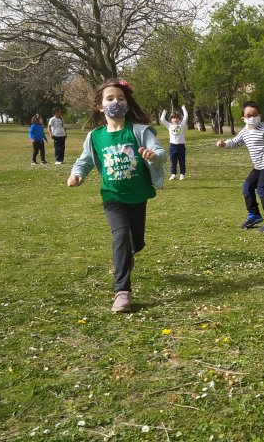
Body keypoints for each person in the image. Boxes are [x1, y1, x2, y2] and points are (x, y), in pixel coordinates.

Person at [67, 79, 166, 313]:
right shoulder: (95, 137)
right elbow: (85, 160)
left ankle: (128, 254)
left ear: (128, 104)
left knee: (136, 243)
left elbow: (160, 152)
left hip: (138, 195)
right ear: (100, 106)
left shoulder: (140, 131)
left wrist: (153, 156)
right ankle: (122, 291)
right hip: (112, 197)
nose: (115, 102)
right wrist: (77, 174)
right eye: (109, 99)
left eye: (120, 98)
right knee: (120, 236)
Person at [216, 101, 264, 233]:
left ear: (259, 115)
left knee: (262, 189)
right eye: (248, 115)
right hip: (258, 166)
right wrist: (224, 144)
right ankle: (254, 215)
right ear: (243, 118)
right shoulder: (245, 132)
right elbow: (235, 142)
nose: (252, 118)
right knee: (247, 187)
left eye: (255, 115)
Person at [160, 105, 188, 180]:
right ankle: (173, 174)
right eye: (173, 118)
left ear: (179, 119)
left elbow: (186, 116)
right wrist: (164, 112)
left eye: (177, 118)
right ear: (171, 119)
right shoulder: (169, 126)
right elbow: (162, 120)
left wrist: (183, 108)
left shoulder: (181, 125)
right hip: (172, 146)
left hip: (181, 146)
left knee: (182, 161)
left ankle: (182, 174)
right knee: (173, 161)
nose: (175, 119)